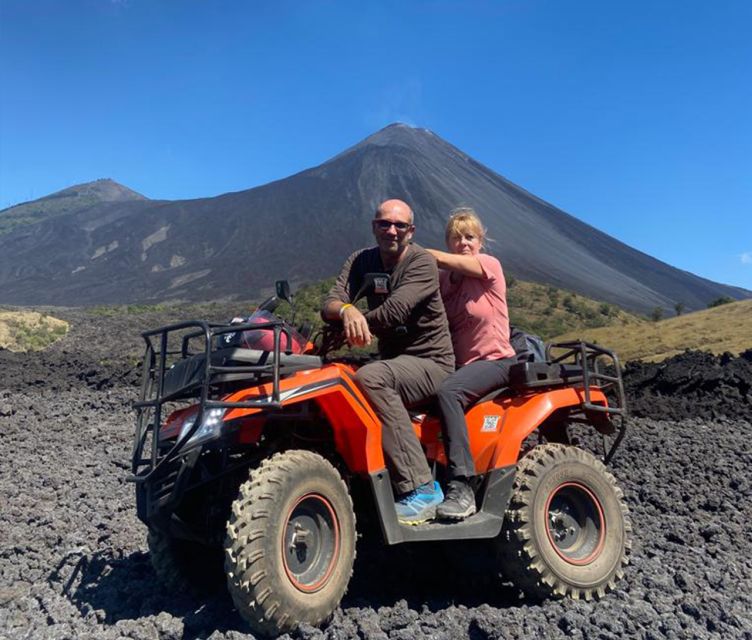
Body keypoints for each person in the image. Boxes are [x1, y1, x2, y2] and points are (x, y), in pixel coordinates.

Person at [322, 199, 455, 525]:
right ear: (374, 227)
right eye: (384, 224)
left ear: (411, 231)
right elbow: (331, 301)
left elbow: (396, 310)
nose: (391, 231)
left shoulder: (421, 262)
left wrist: (355, 322)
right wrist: (346, 311)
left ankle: (421, 488)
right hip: (393, 359)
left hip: (431, 361)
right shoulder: (362, 260)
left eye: (399, 226)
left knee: (370, 379)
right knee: (334, 374)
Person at [426, 208, 517, 521]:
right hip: (462, 365)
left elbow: (450, 263)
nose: (463, 242)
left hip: (495, 360)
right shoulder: (443, 280)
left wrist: (415, 253)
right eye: (456, 237)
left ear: (480, 240)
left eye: (470, 237)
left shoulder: (488, 265)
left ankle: (462, 486)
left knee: (449, 392)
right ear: (449, 242)